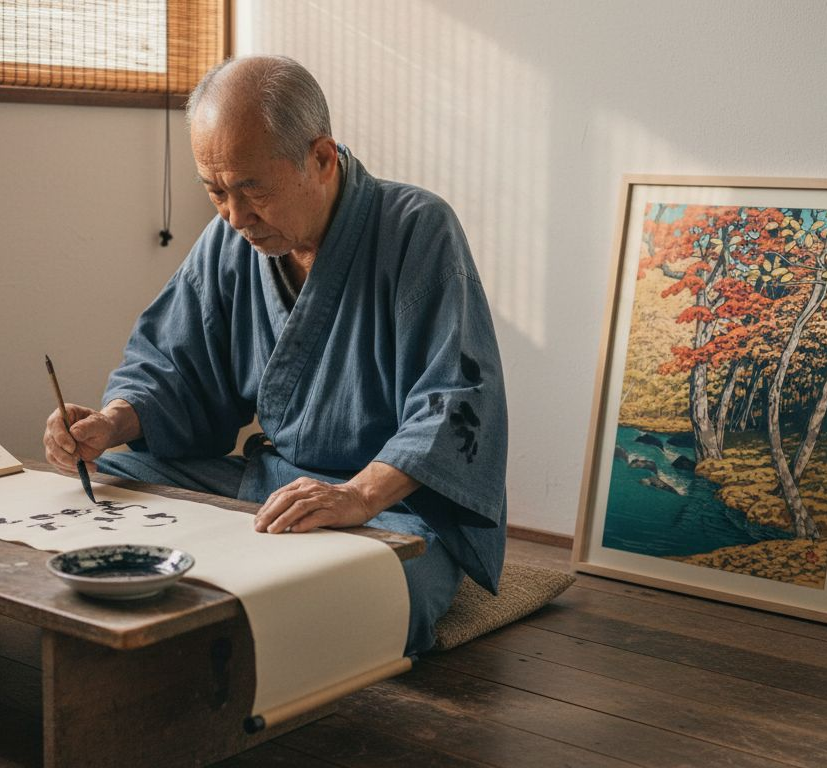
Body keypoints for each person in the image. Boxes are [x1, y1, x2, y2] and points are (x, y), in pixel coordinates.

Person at [44, 55, 507, 656]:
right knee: (110, 481)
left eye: (252, 190)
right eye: (215, 193)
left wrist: (359, 496)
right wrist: (110, 423)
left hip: (394, 507)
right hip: (276, 485)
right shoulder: (233, 241)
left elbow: (455, 403)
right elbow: (175, 368)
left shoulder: (417, 228)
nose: (236, 217)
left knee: (377, 591)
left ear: (320, 157)